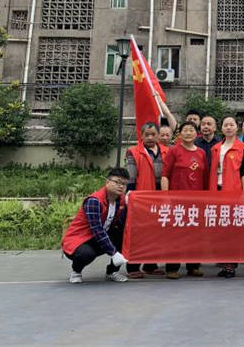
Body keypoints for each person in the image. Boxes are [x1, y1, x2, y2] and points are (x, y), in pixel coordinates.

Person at [62, 168, 130, 283]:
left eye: (124, 184)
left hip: (99, 238)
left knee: (125, 237)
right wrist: (113, 253)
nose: (120, 186)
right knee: (86, 254)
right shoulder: (94, 200)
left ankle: (112, 272)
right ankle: (76, 271)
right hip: (80, 239)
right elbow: (97, 230)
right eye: (117, 182)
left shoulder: (121, 200)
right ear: (107, 182)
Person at [161, 121, 207, 279]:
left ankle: (193, 266)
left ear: (197, 134)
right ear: (180, 134)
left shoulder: (201, 152)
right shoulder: (174, 150)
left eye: (191, 130)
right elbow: (165, 175)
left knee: (195, 234)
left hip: (196, 201)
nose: (188, 133)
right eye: (185, 130)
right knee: (176, 234)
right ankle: (172, 267)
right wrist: (166, 197)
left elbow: (205, 177)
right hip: (177, 201)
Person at [209, 116, 244, 278]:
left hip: (234, 192)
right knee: (219, 230)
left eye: (231, 125)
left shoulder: (242, 148)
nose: (228, 127)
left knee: (232, 230)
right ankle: (223, 261)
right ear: (221, 128)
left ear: (236, 128)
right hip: (217, 192)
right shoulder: (215, 148)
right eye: (225, 125)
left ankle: (231, 265)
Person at [125, 122, 168, 278]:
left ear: (158, 136)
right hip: (142, 197)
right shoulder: (133, 152)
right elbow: (130, 177)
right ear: (141, 136)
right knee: (139, 233)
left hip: (161, 196)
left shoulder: (167, 151)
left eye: (153, 134)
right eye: (146, 135)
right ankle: (133, 267)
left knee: (157, 232)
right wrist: (130, 196)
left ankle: (151, 265)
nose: (150, 137)